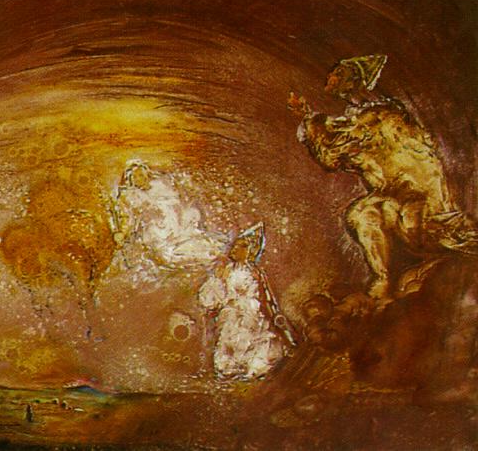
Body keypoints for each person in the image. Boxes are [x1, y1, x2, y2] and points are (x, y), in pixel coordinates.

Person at [288, 55, 478, 307]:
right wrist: (309, 118)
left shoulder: (379, 117)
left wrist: (309, 120)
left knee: (379, 218)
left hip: (421, 204)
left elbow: (334, 150)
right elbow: (336, 149)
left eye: (338, 74)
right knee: (362, 214)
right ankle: (383, 280)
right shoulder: (365, 116)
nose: (330, 78)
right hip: (395, 199)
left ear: (354, 81)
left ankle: (390, 279)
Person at [199, 223, 296, 380]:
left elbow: (266, 297)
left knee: (258, 344)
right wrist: (218, 280)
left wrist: (273, 315)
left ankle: (252, 370)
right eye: (236, 245)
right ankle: (231, 370)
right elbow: (213, 298)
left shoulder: (256, 272)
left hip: (253, 314)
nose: (236, 249)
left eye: (243, 246)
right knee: (231, 346)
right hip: (232, 316)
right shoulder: (226, 270)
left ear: (251, 250)